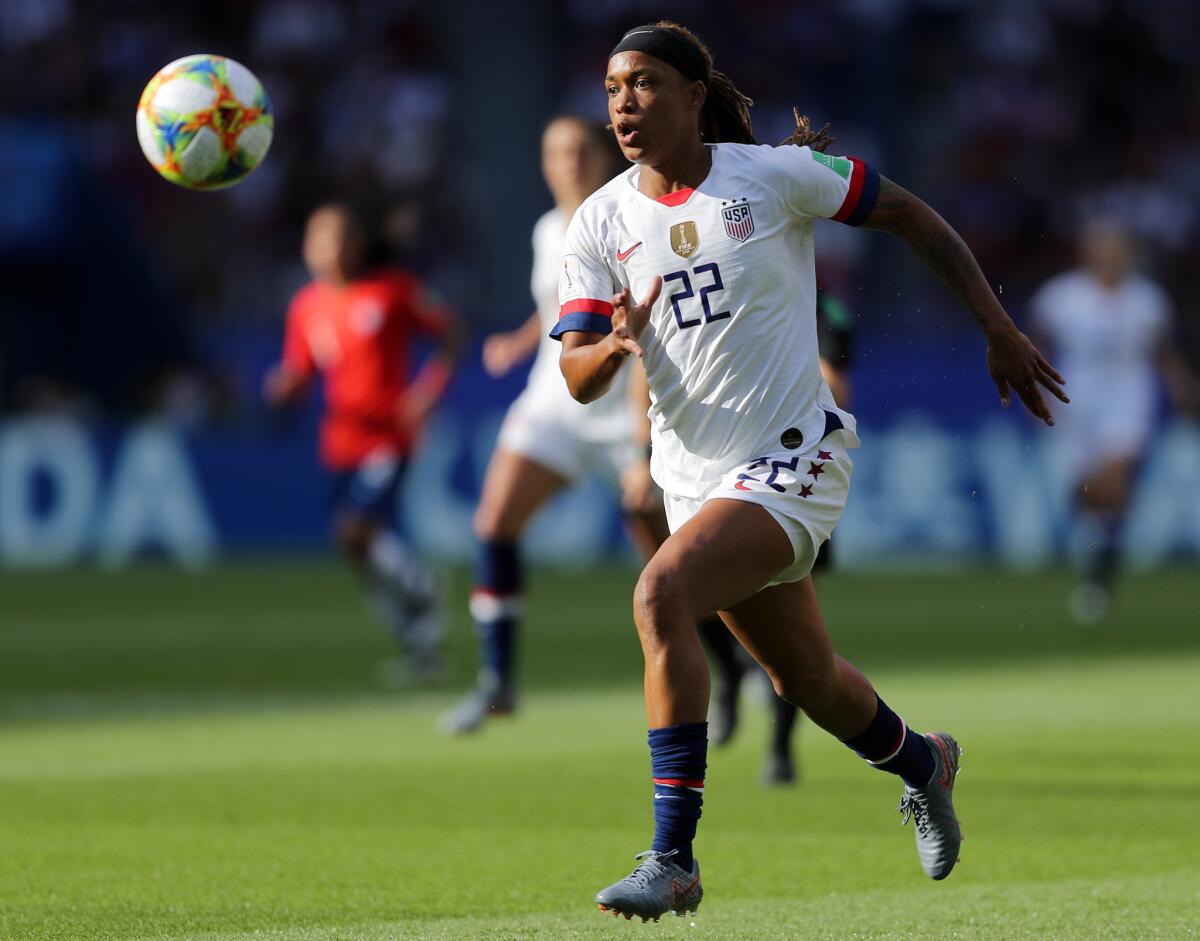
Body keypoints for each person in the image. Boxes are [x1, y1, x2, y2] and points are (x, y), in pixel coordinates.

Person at [552, 22, 1068, 921]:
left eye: (641, 84)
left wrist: (996, 324)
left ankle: (673, 856)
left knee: (657, 594)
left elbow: (911, 213)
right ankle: (924, 761)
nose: (623, 103)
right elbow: (576, 372)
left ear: (691, 94)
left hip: (795, 456)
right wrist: (617, 346)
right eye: (611, 88)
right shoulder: (600, 221)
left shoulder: (773, 178)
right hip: (692, 479)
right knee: (808, 681)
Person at [440, 116, 673, 734]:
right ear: (544, 164)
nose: (568, 162)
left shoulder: (629, 221)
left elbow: (642, 329)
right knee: (494, 524)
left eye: (579, 151)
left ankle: (733, 671)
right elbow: (562, 307)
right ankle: (497, 685)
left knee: (671, 572)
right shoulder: (549, 229)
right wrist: (521, 342)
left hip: (627, 410)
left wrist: (640, 444)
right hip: (554, 400)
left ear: (601, 158)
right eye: (555, 152)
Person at [264, 204, 462, 682]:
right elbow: (302, 370)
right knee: (353, 545)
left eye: (339, 237)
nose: (328, 249)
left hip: (388, 435)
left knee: (357, 530)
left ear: (356, 243)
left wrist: (427, 392)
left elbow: (451, 333)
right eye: (319, 238)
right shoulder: (307, 306)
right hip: (339, 440)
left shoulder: (391, 290)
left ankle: (424, 585)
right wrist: (285, 387)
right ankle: (421, 648)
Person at [701, 288, 856, 786]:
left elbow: (837, 385)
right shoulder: (734, 283)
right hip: (721, 465)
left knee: (794, 637)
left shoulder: (825, 308)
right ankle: (727, 675)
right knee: (695, 591)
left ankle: (780, 749)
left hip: (793, 471)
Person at [1031, 220, 1191, 624]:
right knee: (1085, 495)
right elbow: (1033, 344)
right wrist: (1031, 391)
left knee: (1113, 480)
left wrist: (1182, 386)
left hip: (1128, 402)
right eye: (1102, 249)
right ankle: (1103, 560)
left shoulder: (1148, 301)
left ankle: (1101, 572)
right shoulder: (1061, 297)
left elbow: (1162, 353)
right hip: (1074, 404)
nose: (1110, 257)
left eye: (1116, 249)